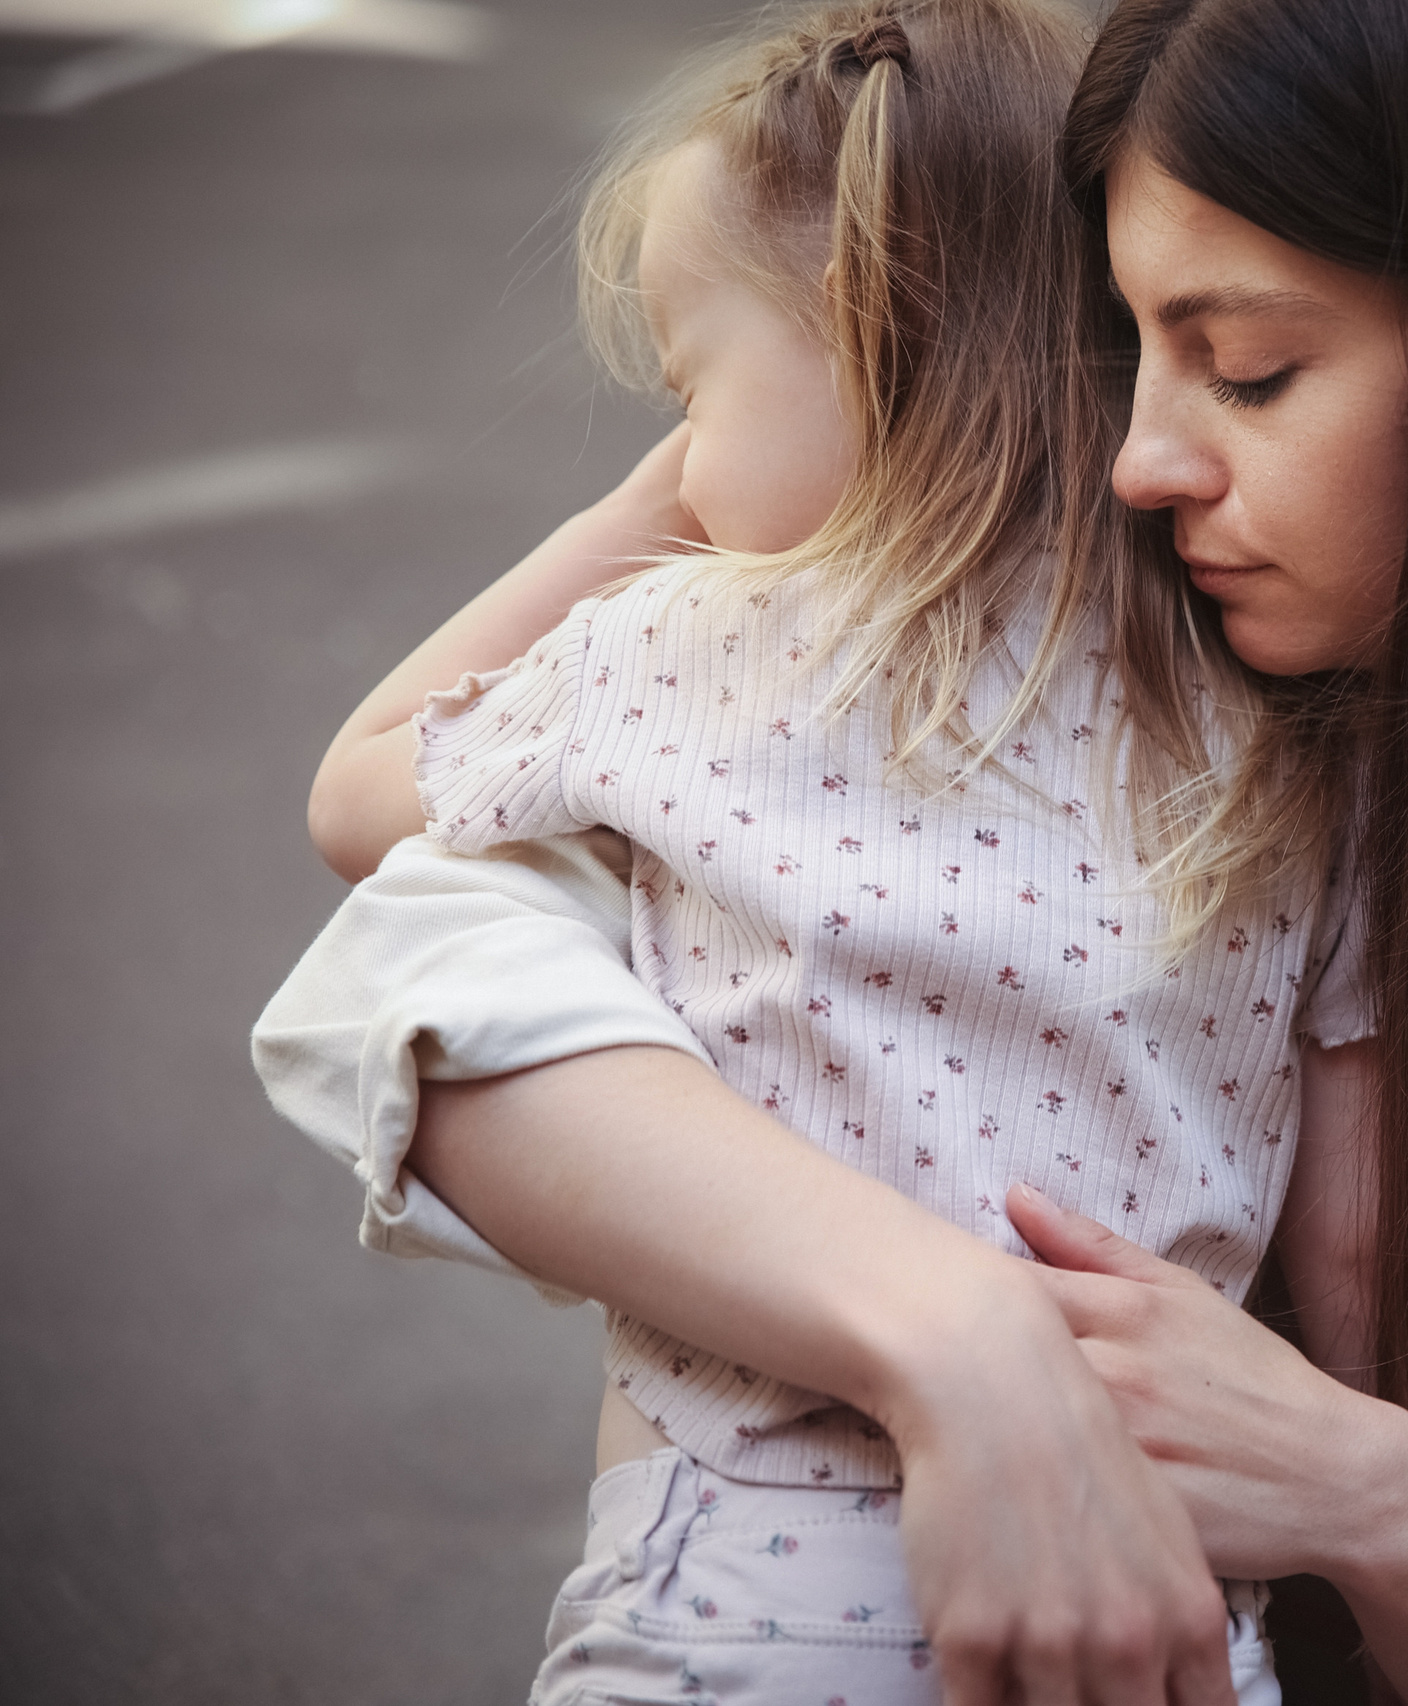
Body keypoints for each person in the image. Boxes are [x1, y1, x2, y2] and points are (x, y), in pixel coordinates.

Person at [258, 0, 1408, 1702]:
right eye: (1124, 343)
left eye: (1241, 369)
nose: (1139, 458)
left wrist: (1389, 1501)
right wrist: (954, 1336)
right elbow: (420, 970)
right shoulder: (1062, 640)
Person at [276, 1, 1316, 1700]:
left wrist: (631, 523)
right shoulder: (1250, 713)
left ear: (855, 330)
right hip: (1161, 1592)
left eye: (692, 392)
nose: (685, 458)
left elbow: (359, 790)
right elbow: (1338, 1220)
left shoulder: (707, 647)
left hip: (746, 1593)